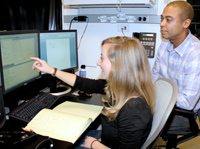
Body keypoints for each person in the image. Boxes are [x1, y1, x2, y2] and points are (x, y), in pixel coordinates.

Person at [31, 36, 155, 149]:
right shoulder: (119, 87)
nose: (98, 63)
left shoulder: (134, 108)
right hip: (106, 140)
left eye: (102, 58)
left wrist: (93, 144)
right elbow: (84, 83)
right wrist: (52, 70)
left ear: (119, 65)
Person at [152, 1, 200, 132]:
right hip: (160, 103)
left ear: (186, 23)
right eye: (162, 19)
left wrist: (154, 95)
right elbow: (154, 78)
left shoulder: (196, 54)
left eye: (168, 20)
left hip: (181, 113)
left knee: (134, 119)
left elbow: (187, 103)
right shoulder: (164, 44)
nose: (162, 24)